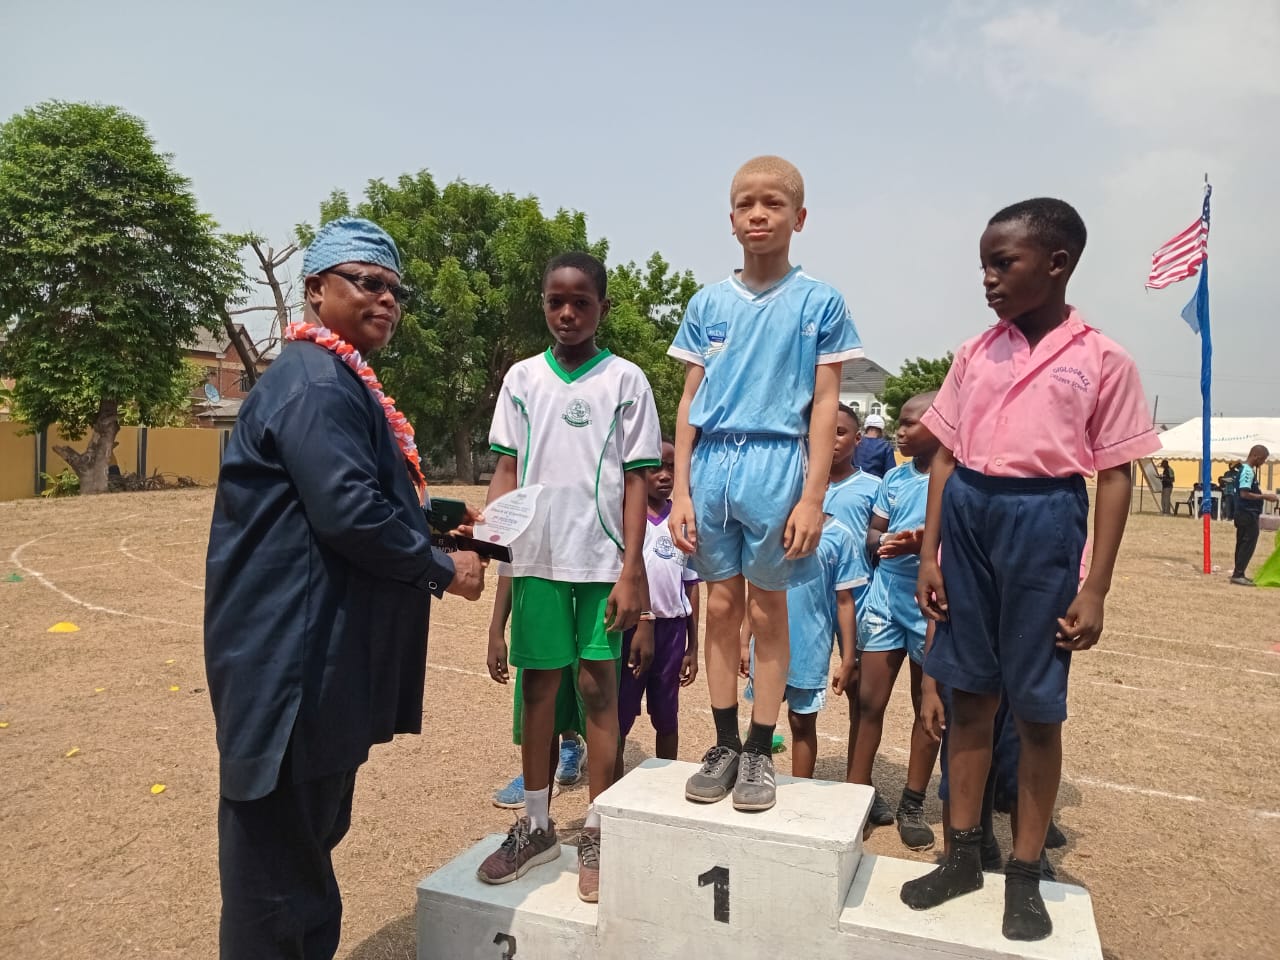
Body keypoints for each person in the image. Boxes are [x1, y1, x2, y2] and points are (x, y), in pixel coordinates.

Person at [205, 217, 487, 960]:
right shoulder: (314, 384)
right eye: (368, 282)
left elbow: (355, 490)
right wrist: (443, 569)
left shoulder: (335, 379)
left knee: (307, 847)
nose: (387, 299)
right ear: (315, 289)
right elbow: (350, 513)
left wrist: (440, 518)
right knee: (277, 873)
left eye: (396, 290)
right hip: (292, 667)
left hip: (319, 664)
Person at [904, 198, 1159, 942]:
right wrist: (931, 555)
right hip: (969, 516)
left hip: (1045, 518)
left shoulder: (1103, 359)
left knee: (1037, 710)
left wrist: (1095, 586)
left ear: (1057, 264)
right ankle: (962, 853)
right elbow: (944, 456)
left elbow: (1115, 474)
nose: (988, 278)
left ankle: (1024, 872)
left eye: (1002, 263)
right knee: (970, 697)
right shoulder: (975, 353)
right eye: (983, 264)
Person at [668, 155, 863, 812]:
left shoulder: (819, 301)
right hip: (712, 466)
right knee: (720, 608)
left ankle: (759, 747)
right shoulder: (707, 303)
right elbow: (688, 400)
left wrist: (812, 497)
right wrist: (682, 491)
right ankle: (724, 742)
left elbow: (826, 404)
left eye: (773, 204)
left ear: (798, 218)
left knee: (766, 610)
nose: (758, 214)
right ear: (730, 219)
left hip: (778, 464)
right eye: (745, 204)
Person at [477, 251, 661, 903]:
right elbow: (506, 470)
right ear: (543, 304)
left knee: (598, 691)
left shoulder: (626, 379)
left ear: (601, 308)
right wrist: (487, 545)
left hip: (602, 564)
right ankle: (536, 825)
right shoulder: (522, 378)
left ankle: (599, 831)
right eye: (556, 301)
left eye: (581, 302)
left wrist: (632, 569)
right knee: (539, 691)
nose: (567, 313)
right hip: (537, 560)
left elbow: (636, 479)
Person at [849, 392, 941, 851]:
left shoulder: (957, 479)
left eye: (909, 424)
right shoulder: (895, 478)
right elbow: (873, 533)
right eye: (898, 424)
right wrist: (885, 541)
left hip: (933, 604)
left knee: (929, 705)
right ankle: (855, 797)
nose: (898, 432)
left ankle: (912, 803)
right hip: (886, 596)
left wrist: (923, 546)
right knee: (869, 701)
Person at [744, 511, 858, 779]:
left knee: (802, 722)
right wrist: (743, 642)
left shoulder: (840, 536)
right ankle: (751, 777)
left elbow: (844, 601)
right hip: (767, 643)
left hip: (810, 645)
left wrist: (848, 658)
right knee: (761, 717)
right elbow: (756, 590)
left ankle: (801, 786)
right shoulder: (772, 527)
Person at [615, 439, 701, 780]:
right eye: (655, 468)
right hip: (630, 628)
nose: (664, 475)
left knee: (667, 716)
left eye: (671, 467)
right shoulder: (626, 518)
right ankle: (611, 784)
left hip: (672, 633)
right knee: (620, 715)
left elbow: (691, 585)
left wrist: (692, 647)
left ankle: (666, 782)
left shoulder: (682, 522)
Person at [486, 575, 583, 809]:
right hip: (543, 588)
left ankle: (572, 744)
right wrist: (496, 628)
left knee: (587, 690)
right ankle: (534, 777)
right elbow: (509, 561)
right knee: (541, 687)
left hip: (587, 589)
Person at [823, 403, 882, 777]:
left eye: (840, 432)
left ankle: (858, 779)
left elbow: (879, 543)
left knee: (858, 688)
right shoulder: (798, 483)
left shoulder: (873, 488)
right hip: (810, 597)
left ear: (858, 439)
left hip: (856, 597)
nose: (831, 439)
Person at [1231, 445, 1277, 586]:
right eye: (1262, 459)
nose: (1263, 462)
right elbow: (1244, 494)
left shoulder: (1246, 469)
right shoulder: (1247, 471)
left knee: (1242, 543)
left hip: (1243, 513)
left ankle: (1238, 573)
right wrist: (1265, 496)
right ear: (1256, 456)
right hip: (1247, 513)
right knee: (1248, 544)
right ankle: (1238, 574)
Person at [855, 413, 897, 478]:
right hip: (876, 483)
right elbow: (890, 473)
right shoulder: (885, 446)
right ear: (881, 429)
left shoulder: (856, 442)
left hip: (853, 481)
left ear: (866, 427)